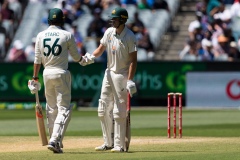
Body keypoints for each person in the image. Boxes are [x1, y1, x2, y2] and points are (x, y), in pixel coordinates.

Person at [27, 8, 90, 154]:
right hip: (61, 72)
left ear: (49, 20)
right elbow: (76, 57)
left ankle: (54, 140)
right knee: (65, 109)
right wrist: (85, 60)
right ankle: (55, 140)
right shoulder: (67, 35)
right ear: (62, 20)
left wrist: (35, 77)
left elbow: (37, 60)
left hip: (46, 73)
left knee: (51, 108)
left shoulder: (40, 35)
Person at [82, 7, 138, 152]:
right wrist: (91, 57)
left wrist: (130, 79)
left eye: (115, 19)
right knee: (103, 108)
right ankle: (108, 142)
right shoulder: (109, 32)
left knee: (119, 111)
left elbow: (133, 61)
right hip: (109, 73)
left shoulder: (130, 36)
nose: (112, 21)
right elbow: (101, 48)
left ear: (123, 20)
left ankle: (119, 144)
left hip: (121, 74)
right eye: (112, 18)